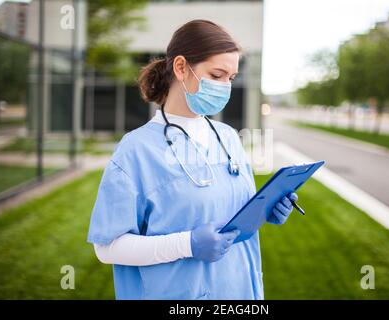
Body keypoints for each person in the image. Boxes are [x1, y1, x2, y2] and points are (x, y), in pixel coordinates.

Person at [87, 19, 298, 300]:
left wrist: (266, 209)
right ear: (181, 67)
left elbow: (231, 215)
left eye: (231, 78)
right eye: (217, 75)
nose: (225, 86)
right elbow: (107, 248)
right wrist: (187, 244)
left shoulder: (228, 137)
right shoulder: (136, 150)